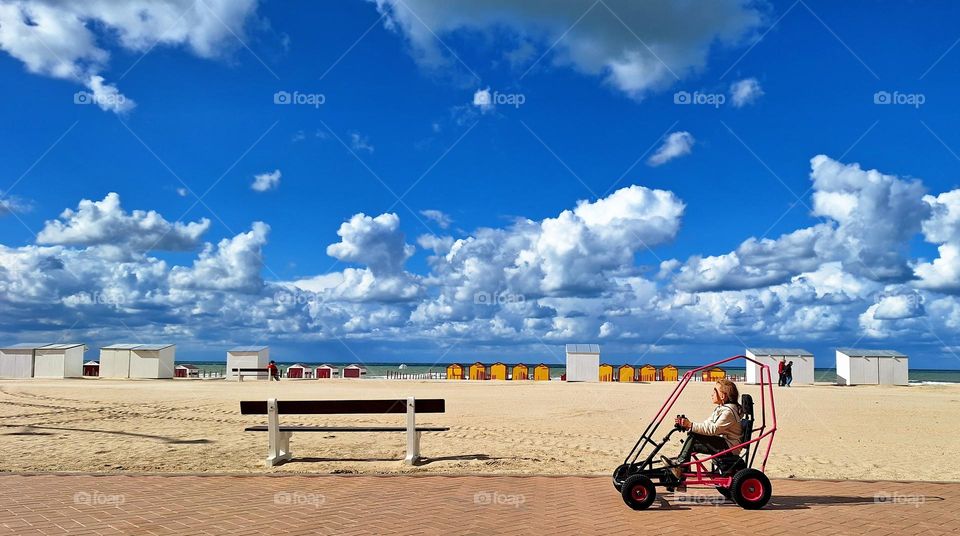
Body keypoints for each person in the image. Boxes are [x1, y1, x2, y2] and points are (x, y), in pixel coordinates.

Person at [664, 379, 743, 481]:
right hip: (724, 443)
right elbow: (707, 424)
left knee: (694, 435)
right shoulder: (722, 408)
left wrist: (691, 425)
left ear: (723, 396)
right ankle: (682, 470)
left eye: (714, 392)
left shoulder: (728, 412)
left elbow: (713, 429)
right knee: (693, 438)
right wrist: (688, 425)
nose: (712, 395)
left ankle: (680, 464)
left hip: (730, 447)